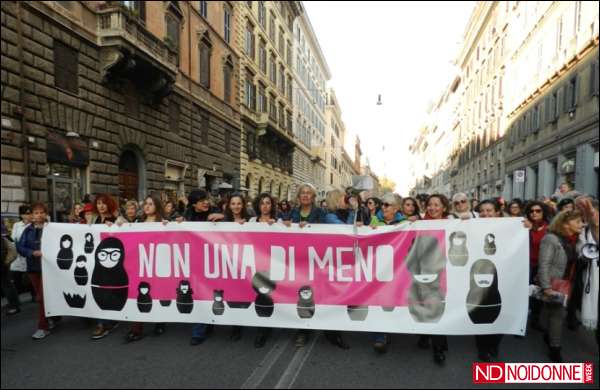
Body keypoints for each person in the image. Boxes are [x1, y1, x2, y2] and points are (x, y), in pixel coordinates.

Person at [538, 210, 584, 362]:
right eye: (577, 221)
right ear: (565, 223)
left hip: (568, 283)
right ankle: (555, 349)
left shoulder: (574, 239)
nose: (581, 224)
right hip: (554, 282)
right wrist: (546, 287)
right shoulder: (551, 238)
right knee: (558, 315)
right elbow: (543, 264)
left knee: (554, 313)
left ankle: (549, 335)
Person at [282, 183, 326, 347]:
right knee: (301, 294)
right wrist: (285, 225)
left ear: (313, 197)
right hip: (297, 260)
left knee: (316, 293)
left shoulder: (320, 213)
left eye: (309, 193)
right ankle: (303, 330)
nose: (306, 195)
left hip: (314, 259)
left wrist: (309, 228)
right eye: (303, 193)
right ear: (299, 196)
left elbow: (326, 233)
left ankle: (325, 324)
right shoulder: (292, 213)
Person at [182, 189, 225, 346]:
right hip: (195, 261)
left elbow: (233, 225)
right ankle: (198, 331)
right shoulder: (187, 215)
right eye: (202, 201)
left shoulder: (215, 211)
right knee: (200, 294)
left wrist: (223, 217)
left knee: (211, 293)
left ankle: (207, 323)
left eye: (206, 199)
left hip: (214, 260)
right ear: (194, 204)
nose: (206, 202)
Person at [125, 195, 169, 342]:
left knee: (157, 293)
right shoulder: (138, 222)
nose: (147, 206)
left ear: (157, 206)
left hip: (158, 263)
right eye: (145, 204)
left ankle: (160, 322)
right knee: (140, 293)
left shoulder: (163, 222)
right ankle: (137, 328)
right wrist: (118, 224)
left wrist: (171, 225)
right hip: (141, 263)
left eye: (151, 204)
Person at [370, 193, 407, 353]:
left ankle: (399, 325)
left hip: (399, 268)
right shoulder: (374, 220)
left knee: (396, 299)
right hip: (380, 268)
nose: (383, 207)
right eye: (382, 204)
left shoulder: (405, 223)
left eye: (387, 205)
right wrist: (368, 229)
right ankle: (381, 335)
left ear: (396, 208)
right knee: (380, 300)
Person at [419, 194, 451, 365]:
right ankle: (424, 335)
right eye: (430, 205)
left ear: (444, 207)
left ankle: (439, 348)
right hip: (425, 271)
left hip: (445, 271)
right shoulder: (418, 223)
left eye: (436, 205)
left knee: (437, 306)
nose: (432, 208)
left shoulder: (452, 223)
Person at [16, 202, 55, 339]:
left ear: (46, 214)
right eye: (36, 213)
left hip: (49, 269)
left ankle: (43, 327)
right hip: (33, 268)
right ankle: (54, 317)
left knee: (41, 298)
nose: (39, 215)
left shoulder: (52, 228)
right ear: (32, 215)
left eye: (41, 212)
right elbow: (20, 247)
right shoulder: (28, 230)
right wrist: (32, 252)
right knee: (43, 297)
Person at [472, 199, 504, 361]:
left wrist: (524, 224)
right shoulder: (473, 227)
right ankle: (483, 347)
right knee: (481, 310)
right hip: (481, 274)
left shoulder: (509, 228)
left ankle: (494, 342)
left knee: (501, 309)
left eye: (489, 210)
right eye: (482, 211)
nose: (485, 214)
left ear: (497, 212)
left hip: (502, 274)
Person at [90, 194, 121, 340]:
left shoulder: (116, 220)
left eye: (104, 203)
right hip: (97, 261)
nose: (101, 206)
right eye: (98, 203)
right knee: (101, 291)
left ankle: (105, 323)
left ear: (109, 204)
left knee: (108, 292)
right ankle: (105, 321)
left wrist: (114, 227)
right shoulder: (95, 219)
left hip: (111, 262)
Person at [523, 201, 551, 331]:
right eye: (532, 211)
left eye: (538, 211)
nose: (534, 213)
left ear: (543, 212)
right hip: (525, 265)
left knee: (538, 295)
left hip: (542, 266)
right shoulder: (522, 226)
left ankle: (535, 319)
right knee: (523, 294)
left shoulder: (549, 228)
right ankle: (520, 322)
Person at [10, 205, 33, 307]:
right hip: (18, 255)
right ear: (21, 215)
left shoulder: (33, 225)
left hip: (29, 254)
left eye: (30, 213)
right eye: (26, 213)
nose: (28, 216)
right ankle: (15, 299)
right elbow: (13, 239)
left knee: (31, 277)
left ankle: (34, 295)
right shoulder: (17, 225)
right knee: (16, 276)